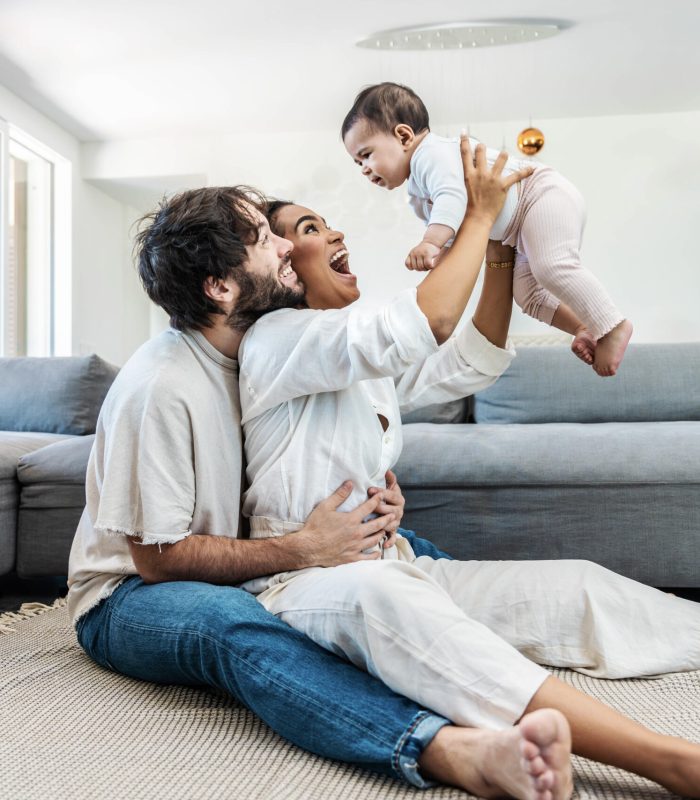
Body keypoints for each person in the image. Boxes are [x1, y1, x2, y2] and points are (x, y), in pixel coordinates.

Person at [66, 146, 571, 800]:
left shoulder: (259, 350)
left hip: (246, 559)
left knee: (410, 564)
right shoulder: (159, 386)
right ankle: (444, 748)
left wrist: (372, 515)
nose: (286, 248)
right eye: (264, 237)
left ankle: (491, 664)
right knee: (235, 628)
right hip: (125, 596)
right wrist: (303, 547)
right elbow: (157, 560)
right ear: (220, 286)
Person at [235, 135, 700, 799]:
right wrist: (478, 217)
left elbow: (464, 357)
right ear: (281, 266)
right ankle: (671, 760)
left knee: (576, 587)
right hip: (303, 587)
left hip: (395, 562)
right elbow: (429, 319)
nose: (334, 230)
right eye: (309, 228)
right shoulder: (278, 339)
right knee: (387, 602)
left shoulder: (350, 355)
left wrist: (505, 243)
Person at [341, 82, 633, 377]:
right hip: (517, 231)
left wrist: (430, 242)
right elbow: (454, 230)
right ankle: (584, 327)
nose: (364, 168)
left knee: (551, 267)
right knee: (527, 296)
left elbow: (451, 197)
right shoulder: (416, 194)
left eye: (366, 155)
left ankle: (612, 325)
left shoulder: (430, 155)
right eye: (357, 163)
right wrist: (440, 254)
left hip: (539, 194)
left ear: (403, 136)